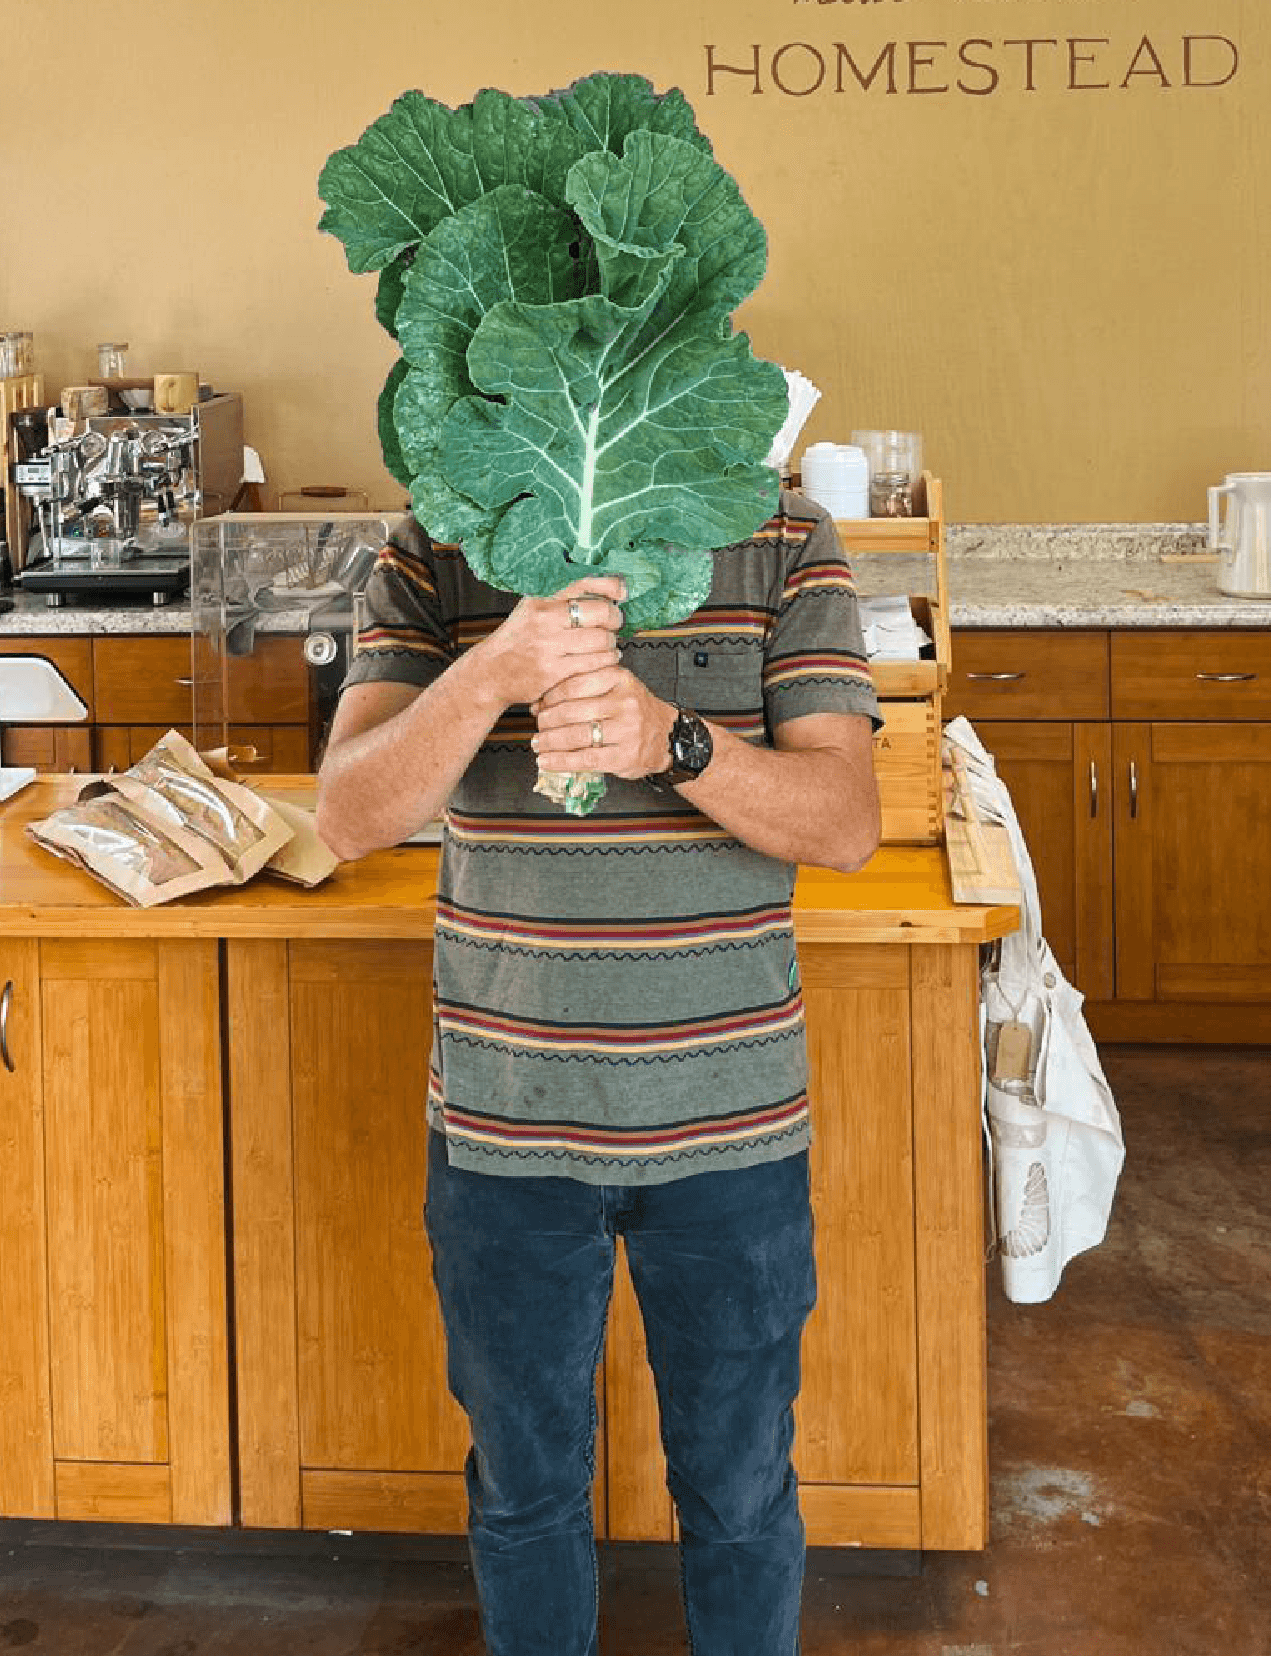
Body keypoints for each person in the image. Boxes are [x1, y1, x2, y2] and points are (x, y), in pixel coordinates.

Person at [316, 487, 883, 1657]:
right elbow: (350, 812)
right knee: (522, 1498)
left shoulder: (783, 538)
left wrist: (669, 740)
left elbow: (843, 821)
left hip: (729, 1129)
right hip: (506, 1125)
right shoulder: (443, 536)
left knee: (738, 1495)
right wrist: (497, 668)